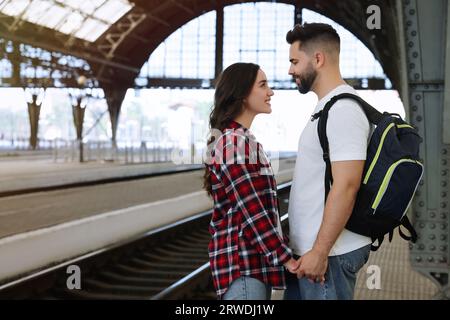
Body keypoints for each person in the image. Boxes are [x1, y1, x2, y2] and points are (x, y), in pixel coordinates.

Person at [284, 23, 372, 300]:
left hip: (328, 256)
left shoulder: (343, 109)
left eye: (295, 61)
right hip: (313, 255)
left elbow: (347, 185)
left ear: (318, 59)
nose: (290, 70)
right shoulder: (327, 107)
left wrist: (320, 252)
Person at [203, 62, 299, 300]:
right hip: (243, 267)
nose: (271, 92)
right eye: (263, 85)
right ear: (242, 94)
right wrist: (287, 259)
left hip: (252, 267)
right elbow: (252, 211)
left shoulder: (242, 140)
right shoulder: (234, 143)